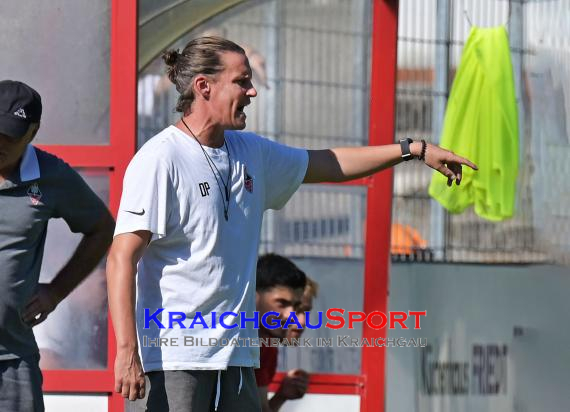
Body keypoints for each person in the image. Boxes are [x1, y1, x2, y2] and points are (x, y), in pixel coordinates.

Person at [107, 36, 477, 411]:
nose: (252, 91)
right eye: (241, 81)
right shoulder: (160, 159)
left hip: (237, 362)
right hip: (173, 362)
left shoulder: (251, 151)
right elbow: (122, 258)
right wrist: (127, 352)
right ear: (204, 86)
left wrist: (412, 150)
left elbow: (330, 163)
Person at [0, 80, 115, 411]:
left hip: (13, 360)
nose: (1, 142)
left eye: (11, 134)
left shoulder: (51, 176)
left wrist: (56, 292)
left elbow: (101, 229)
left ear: (32, 132)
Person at [254, 254, 309, 412]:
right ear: (254, 297)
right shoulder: (225, 342)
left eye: (295, 306)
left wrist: (281, 396)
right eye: (282, 303)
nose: (290, 315)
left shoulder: (267, 347)